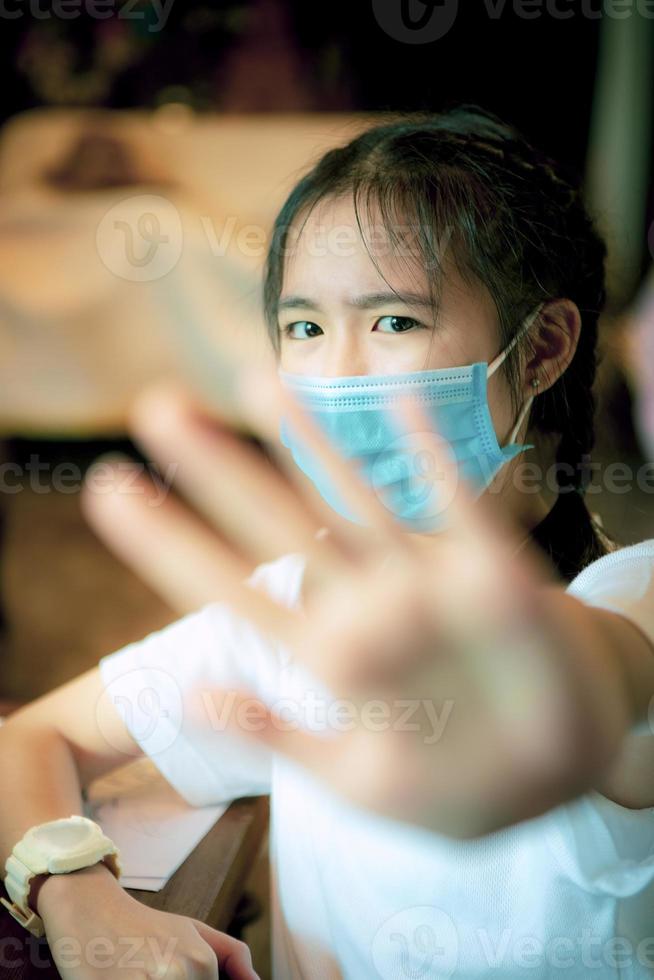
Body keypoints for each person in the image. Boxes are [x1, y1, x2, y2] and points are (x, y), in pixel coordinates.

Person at [2, 104, 654, 980]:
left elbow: (610, 671)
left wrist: (548, 692)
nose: (337, 374)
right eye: (305, 329)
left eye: (393, 322)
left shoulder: (627, 593)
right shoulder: (300, 612)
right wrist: (81, 902)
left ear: (542, 348)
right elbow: (28, 741)